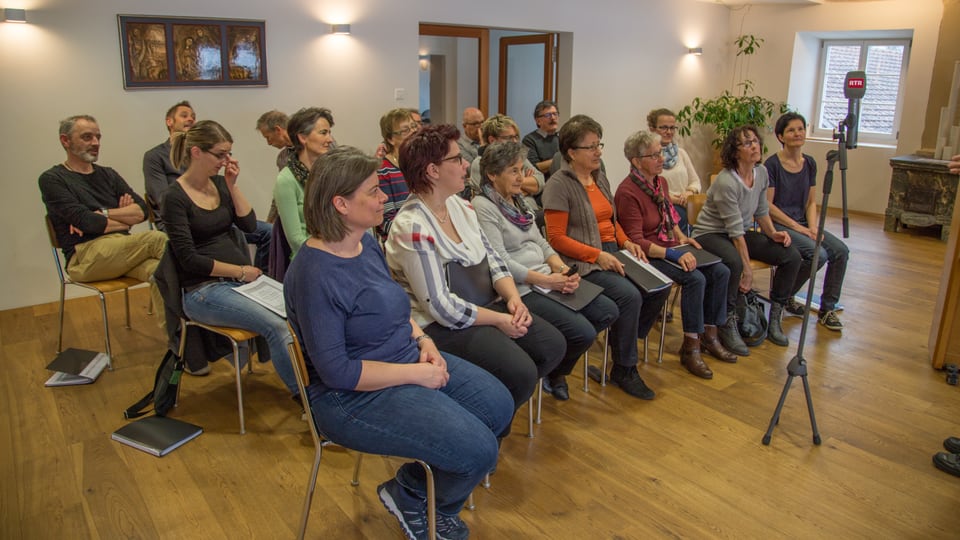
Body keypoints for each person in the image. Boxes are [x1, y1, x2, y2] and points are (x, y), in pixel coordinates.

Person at [284, 146, 513, 540]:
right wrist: (417, 375)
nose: (384, 198)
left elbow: (393, 304)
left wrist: (423, 339)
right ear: (340, 203)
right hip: (350, 396)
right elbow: (338, 372)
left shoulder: (364, 241)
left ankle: (409, 489)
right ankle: (417, 499)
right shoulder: (314, 275)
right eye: (373, 192)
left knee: (498, 407)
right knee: (478, 450)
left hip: (404, 358)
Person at [385, 124, 565, 415]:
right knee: (520, 372)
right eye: (456, 159)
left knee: (552, 346)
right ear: (432, 171)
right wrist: (499, 320)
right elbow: (440, 307)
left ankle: (491, 410)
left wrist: (512, 299)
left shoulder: (459, 206)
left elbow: (491, 258)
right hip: (439, 325)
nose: (466, 163)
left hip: (480, 305)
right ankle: (486, 420)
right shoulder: (412, 227)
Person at [474, 141, 617, 400]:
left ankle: (556, 367)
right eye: (514, 171)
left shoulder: (516, 201)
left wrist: (562, 270)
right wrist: (549, 281)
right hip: (522, 286)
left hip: (546, 277)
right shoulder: (484, 206)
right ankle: (555, 371)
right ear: (492, 175)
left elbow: (541, 242)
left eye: (522, 169)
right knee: (582, 332)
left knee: (607, 311)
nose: (522, 178)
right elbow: (500, 259)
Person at [162, 120, 298, 393]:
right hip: (203, 290)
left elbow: (249, 225)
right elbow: (189, 259)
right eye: (220, 154)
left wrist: (232, 185)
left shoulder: (219, 185)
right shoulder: (174, 197)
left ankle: (313, 386)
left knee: (296, 312)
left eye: (228, 153)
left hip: (237, 282)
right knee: (276, 325)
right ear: (197, 152)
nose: (227, 160)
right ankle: (304, 396)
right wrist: (240, 271)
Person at [542, 115, 669, 400]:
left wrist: (626, 242)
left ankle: (622, 349)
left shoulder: (600, 176)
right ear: (571, 152)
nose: (599, 151)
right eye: (591, 147)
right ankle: (624, 367)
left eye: (599, 144)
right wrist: (598, 255)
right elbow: (556, 239)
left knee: (660, 285)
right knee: (630, 296)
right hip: (581, 261)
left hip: (612, 251)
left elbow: (611, 220)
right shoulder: (559, 185)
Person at [615, 130, 737, 380]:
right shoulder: (627, 192)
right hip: (648, 254)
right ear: (636, 161)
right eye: (654, 155)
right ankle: (690, 345)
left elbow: (669, 217)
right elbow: (636, 240)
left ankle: (710, 336)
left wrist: (682, 237)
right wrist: (673, 253)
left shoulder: (660, 182)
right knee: (695, 279)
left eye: (660, 153)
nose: (662, 159)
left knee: (721, 271)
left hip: (669, 246)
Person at [40, 114, 167, 315]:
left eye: (98, 137)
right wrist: (124, 222)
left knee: (163, 272)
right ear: (65, 140)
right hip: (85, 256)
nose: (96, 143)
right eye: (87, 137)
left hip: (122, 250)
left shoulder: (108, 174)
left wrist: (104, 213)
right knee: (157, 239)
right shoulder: (52, 179)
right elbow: (88, 222)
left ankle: (178, 342)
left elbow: (142, 211)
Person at [692, 125, 803, 350]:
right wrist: (747, 269)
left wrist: (773, 233)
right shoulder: (726, 181)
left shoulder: (761, 172)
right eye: (747, 143)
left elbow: (761, 210)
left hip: (738, 231)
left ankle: (775, 317)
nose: (755, 146)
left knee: (791, 255)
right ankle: (728, 322)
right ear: (735, 152)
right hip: (710, 233)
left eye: (755, 141)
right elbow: (734, 231)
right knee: (734, 262)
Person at [765, 112, 849, 332]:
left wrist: (813, 227)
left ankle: (827, 308)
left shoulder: (809, 163)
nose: (797, 133)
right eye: (791, 130)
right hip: (780, 224)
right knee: (817, 255)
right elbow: (768, 206)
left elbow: (811, 202)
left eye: (800, 129)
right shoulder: (772, 164)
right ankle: (784, 297)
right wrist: (799, 228)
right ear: (781, 136)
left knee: (840, 251)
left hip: (803, 223)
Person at [273, 107, 335, 258]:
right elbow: (295, 240)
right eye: (323, 133)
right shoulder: (286, 180)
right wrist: (334, 254)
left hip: (338, 250)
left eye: (329, 133)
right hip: (309, 258)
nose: (330, 139)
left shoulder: (332, 172)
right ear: (302, 137)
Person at [466, 114, 544, 209]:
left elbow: (540, 182)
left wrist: (513, 184)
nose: (515, 142)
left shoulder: (517, 157)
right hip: (504, 214)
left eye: (516, 137)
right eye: (509, 138)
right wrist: (525, 184)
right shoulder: (480, 163)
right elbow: (499, 196)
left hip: (530, 211)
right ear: (492, 140)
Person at [647, 108, 701, 234]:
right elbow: (649, 188)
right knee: (681, 216)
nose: (669, 132)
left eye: (672, 128)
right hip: (663, 206)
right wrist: (676, 200)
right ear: (652, 128)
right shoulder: (647, 156)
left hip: (685, 204)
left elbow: (696, 181)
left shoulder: (681, 153)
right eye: (664, 128)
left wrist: (689, 192)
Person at [143, 100, 196, 228]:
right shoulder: (154, 156)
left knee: (249, 229)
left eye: (193, 117)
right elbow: (163, 199)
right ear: (169, 122)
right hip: (174, 221)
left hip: (206, 214)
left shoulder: (198, 153)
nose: (190, 119)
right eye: (184, 116)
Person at [376, 108, 419, 241]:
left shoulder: (422, 163)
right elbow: (385, 221)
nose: (413, 132)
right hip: (400, 242)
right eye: (405, 130)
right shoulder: (383, 170)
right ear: (390, 139)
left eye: (414, 127)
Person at [522, 100, 560, 174]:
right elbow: (533, 168)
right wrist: (561, 158)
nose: (553, 118)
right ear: (538, 121)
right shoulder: (529, 140)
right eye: (548, 115)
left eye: (555, 114)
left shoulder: (563, 137)